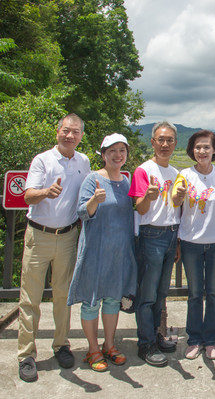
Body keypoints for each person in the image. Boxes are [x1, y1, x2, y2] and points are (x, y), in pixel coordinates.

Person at [18, 113, 90, 382]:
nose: (69, 136)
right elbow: (27, 195)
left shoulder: (84, 161)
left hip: (69, 235)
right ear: (57, 132)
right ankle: (26, 354)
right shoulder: (43, 160)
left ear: (81, 136)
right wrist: (45, 192)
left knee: (63, 295)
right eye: (65, 131)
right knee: (30, 298)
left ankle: (61, 345)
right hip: (39, 235)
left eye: (75, 132)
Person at [67, 133, 137, 372]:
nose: (118, 155)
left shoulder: (126, 182)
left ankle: (109, 345)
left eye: (122, 151)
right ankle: (93, 349)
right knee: (90, 302)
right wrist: (94, 200)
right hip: (95, 252)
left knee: (112, 300)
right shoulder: (92, 179)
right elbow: (82, 213)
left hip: (118, 253)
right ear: (103, 154)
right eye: (112, 151)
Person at [172, 130, 215, 361]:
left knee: (214, 293)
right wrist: (178, 195)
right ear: (192, 151)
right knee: (195, 294)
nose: (202, 151)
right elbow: (176, 203)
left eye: (206, 147)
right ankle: (194, 339)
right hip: (191, 243)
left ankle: (211, 340)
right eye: (198, 147)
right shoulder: (184, 175)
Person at [128, 121, 180, 367]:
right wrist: (147, 197)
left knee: (161, 293)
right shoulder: (143, 170)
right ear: (152, 142)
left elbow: (177, 210)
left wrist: (177, 240)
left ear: (175, 143)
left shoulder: (175, 173)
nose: (165, 144)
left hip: (171, 235)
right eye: (161, 139)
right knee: (147, 295)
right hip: (150, 235)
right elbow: (140, 208)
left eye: (169, 140)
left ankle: (157, 336)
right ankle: (145, 344)